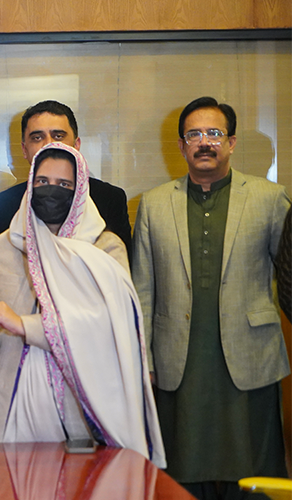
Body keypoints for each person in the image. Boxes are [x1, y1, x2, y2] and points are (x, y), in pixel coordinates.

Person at [0, 142, 164, 467]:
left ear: (80, 189)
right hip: (6, 411)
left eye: (64, 185)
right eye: (42, 182)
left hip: (83, 420)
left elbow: (108, 325)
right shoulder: (2, 247)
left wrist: (23, 325)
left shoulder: (105, 249)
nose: (50, 191)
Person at [132, 97, 290, 498]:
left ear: (232, 142)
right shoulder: (152, 204)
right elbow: (143, 291)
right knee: (179, 474)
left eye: (214, 133)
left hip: (249, 358)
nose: (205, 142)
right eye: (195, 134)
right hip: (178, 363)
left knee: (253, 475)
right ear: (182, 145)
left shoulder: (270, 199)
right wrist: (144, 360)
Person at [0, 100, 131, 256]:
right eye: (37, 138)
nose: (49, 145)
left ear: (76, 145)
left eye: (58, 136)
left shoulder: (110, 199)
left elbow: (121, 274)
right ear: (24, 150)